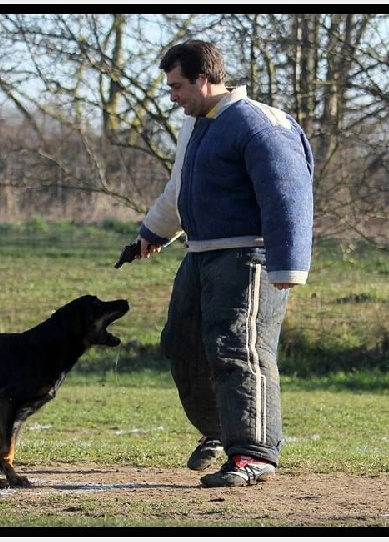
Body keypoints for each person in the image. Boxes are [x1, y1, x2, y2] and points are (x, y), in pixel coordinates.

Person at [131, 39, 314, 487]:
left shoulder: (258, 123)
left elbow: (287, 194)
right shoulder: (197, 126)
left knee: (240, 349)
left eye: (177, 87)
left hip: (249, 256)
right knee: (183, 345)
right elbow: (180, 188)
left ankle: (253, 453)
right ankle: (220, 429)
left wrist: (289, 264)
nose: (172, 96)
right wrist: (153, 231)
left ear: (203, 79)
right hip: (200, 254)